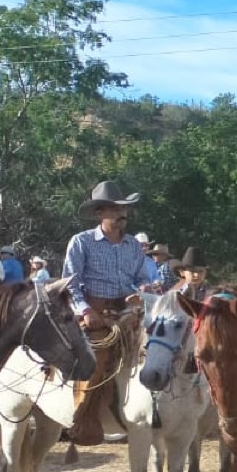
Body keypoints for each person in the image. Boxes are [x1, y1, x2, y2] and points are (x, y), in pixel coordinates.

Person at [62, 180, 163, 445]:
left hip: (129, 310)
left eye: (124, 209)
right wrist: (84, 310)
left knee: (164, 343)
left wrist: (144, 289)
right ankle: (82, 419)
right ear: (99, 213)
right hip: (96, 311)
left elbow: (143, 278)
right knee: (97, 358)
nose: (123, 214)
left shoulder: (132, 245)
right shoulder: (82, 242)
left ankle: (166, 409)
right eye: (116, 209)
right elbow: (70, 282)